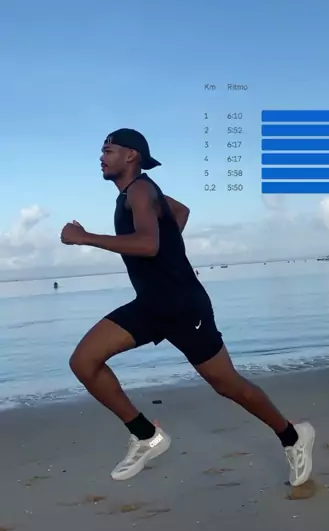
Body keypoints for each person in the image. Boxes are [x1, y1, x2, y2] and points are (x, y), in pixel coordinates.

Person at [61, 129, 315, 485]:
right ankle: (146, 436)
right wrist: (170, 252)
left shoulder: (140, 190)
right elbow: (180, 212)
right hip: (152, 305)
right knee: (84, 361)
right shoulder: (139, 193)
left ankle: (293, 436)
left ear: (131, 155)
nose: (101, 157)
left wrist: (85, 238)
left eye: (108, 150)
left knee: (227, 385)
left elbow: (148, 245)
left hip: (183, 306)